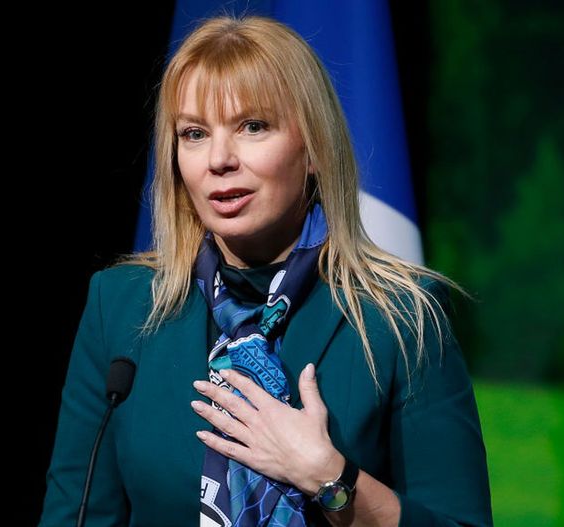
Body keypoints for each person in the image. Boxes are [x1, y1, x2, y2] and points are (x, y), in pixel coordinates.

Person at [39, 15, 492, 527]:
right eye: (194, 133)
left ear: (314, 149)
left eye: (252, 126)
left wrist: (329, 478)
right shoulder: (121, 307)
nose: (219, 159)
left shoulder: (401, 317)